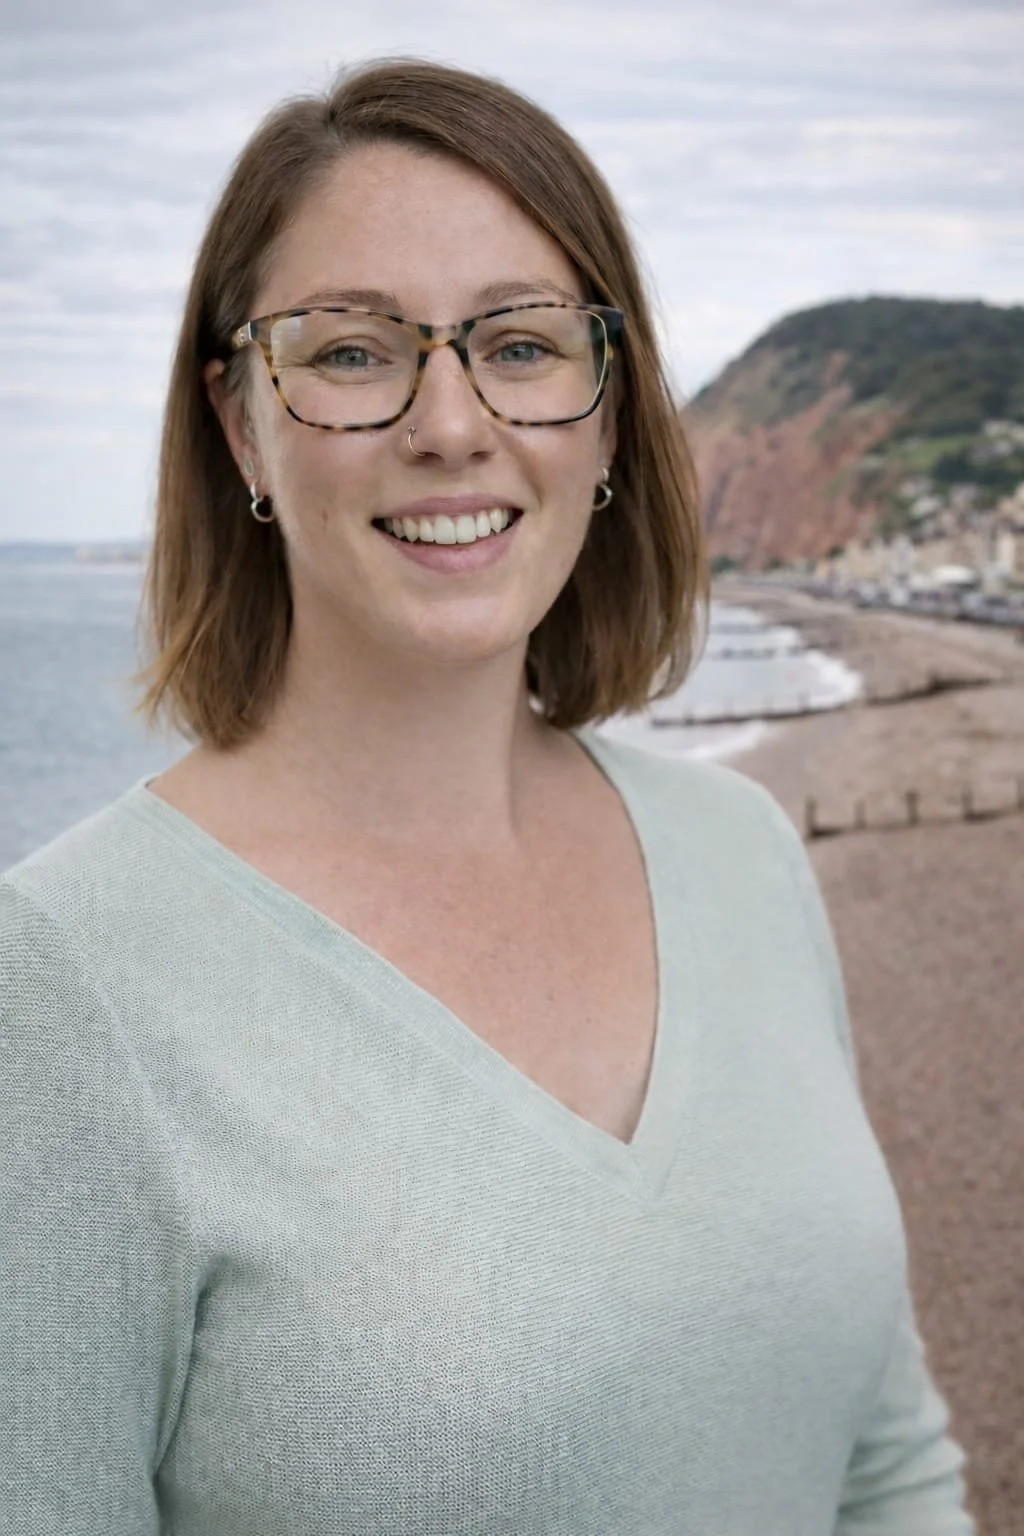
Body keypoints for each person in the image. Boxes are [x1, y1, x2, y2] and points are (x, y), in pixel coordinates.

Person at [0, 57, 974, 1536]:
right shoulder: (66, 983)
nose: (451, 423)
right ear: (239, 423)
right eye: (349, 353)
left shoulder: (742, 853)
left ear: (605, 413)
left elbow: (887, 1464)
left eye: (519, 346)